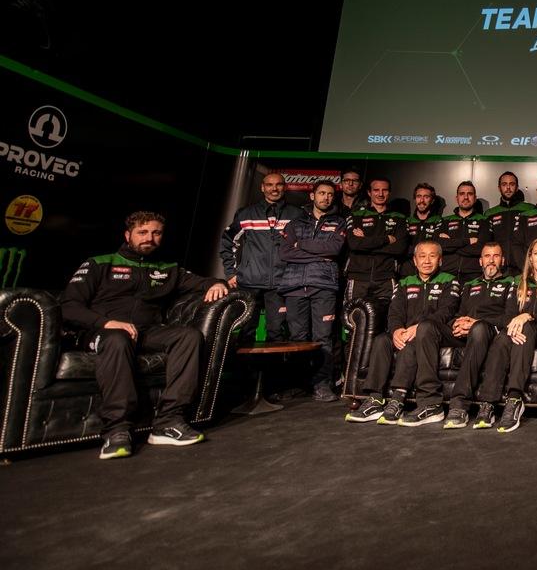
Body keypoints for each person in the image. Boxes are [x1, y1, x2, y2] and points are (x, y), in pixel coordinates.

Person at [62, 211, 229, 459]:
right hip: (101, 332)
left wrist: (217, 284)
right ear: (127, 235)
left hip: (147, 332)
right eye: (142, 232)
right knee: (117, 338)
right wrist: (107, 323)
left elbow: (203, 282)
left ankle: (168, 421)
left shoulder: (167, 269)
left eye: (156, 233)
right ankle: (117, 430)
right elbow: (69, 307)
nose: (149, 238)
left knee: (189, 336)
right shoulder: (99, 263)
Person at [345, 241, 461, 425]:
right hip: (406, 332)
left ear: (440, 260)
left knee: (416, 339)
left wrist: (418, 327)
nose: (427, 261)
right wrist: (396, 330)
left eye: (432, 256)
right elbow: (395, 312)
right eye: (422, 256)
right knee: (382, 340)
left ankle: (398, 398)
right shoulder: (404, 283)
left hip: (433, 332)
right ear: (415, 260)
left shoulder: (450, 280)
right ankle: (375, 399)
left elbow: (447, 311)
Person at [475, 237, 537, 432]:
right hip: (518, 331)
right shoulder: (518, 282)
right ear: (530, 257)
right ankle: (488, 402)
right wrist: (513, 326)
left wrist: (527, 316)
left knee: (525, 329)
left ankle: (514, 398)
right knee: (502, 338)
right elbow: (509, 315)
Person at [277, 181, 346, 402]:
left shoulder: (339, 222)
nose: (326, 197)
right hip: (294, 286)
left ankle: (322, 385)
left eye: (330, 194)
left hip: (324, 286)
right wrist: (319, 255)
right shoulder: (295, 223)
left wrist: (302, 245)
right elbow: (286, 253)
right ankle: (297, 384)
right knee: (297, 338)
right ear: (312, 196)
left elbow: (333, 249)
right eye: (322, 193)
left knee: (323, 338)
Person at [219, 171, 304, 343]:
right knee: (245, 332)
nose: (274, 189)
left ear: (285, 187)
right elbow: (228, 242)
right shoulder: (246, 213)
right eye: (269, 185)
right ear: (262, 187)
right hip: (249, 282)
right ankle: (244, 361)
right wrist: (231, 273)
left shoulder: (296, 214)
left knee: (277, 333)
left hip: (281, 284)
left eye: (279, 184)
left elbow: (304, 247)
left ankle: (274, 362)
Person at [442, 242, 518, 429]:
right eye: (487, 256)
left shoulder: (512, 283)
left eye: (496, 256)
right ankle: (427, 404)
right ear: (480, 261)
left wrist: (476, 322)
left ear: (503, 260)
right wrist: (457, 324)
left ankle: (459, 404)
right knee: (429, 327)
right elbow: (459, 313)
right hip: (469, 332)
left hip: (493, 331)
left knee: (479, 329)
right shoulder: (470, 285)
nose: (491, 260)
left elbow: (509, 317)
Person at [344, 176, 407, 304]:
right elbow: (354, 244)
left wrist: (366, 241)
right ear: (369, 192)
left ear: (389, 192)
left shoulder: (399, 218)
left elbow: (399, 248)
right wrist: (386, 239)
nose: (380, 194)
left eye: (385, 190)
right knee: (354, 315)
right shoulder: (356, 215)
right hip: (358, 278)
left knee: (387, 315)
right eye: (376, 190)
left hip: (386, 278)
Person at [432, 181, 491, 282]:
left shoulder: (484, 220)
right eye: (462, 194)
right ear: (457, 198)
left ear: (475, 198)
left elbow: (481, 248)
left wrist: (451, 243)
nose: (466, 197)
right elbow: (437, 245)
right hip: (446, 274)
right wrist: (467, 241)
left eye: (470, 194)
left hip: (474, 275)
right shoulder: (445, 221)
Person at [486, 171, 533, 266]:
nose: (508, 188)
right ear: (499, 188)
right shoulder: (490, 213)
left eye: (512, 184)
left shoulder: (530, 209)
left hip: (524, 266)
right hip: (499, 266)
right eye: (504, 184)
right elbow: (487, 243)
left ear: (517, 188)